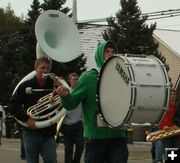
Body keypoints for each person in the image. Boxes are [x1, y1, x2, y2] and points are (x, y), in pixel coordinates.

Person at [56, 40, 129, 163]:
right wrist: (66, 96)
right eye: (106, 52)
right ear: (100, 54)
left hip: (118, 137)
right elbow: (71, 104)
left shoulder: (124, 77)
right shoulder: (88, 77)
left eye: (113, 52)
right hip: (95, 138)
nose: (110, 54)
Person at [7, 57, 57, 163]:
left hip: (49, 131)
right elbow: (12, 105)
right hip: (31, 132)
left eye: (48, 68)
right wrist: (26, 119)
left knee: (51, 160)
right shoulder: (25, 85)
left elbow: (66, 102)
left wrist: (62, 90)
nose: (45, 71)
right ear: (35, 68)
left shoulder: (54, 85)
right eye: (42, 68)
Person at [60, 72, 84, 163]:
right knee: (68, 148)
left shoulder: (81, 92)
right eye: (73, 80)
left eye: (77, 79)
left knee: (81, 146)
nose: (76, 81)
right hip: (67, 124)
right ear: (69, 81)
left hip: (79, 124)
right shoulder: (65, 92)